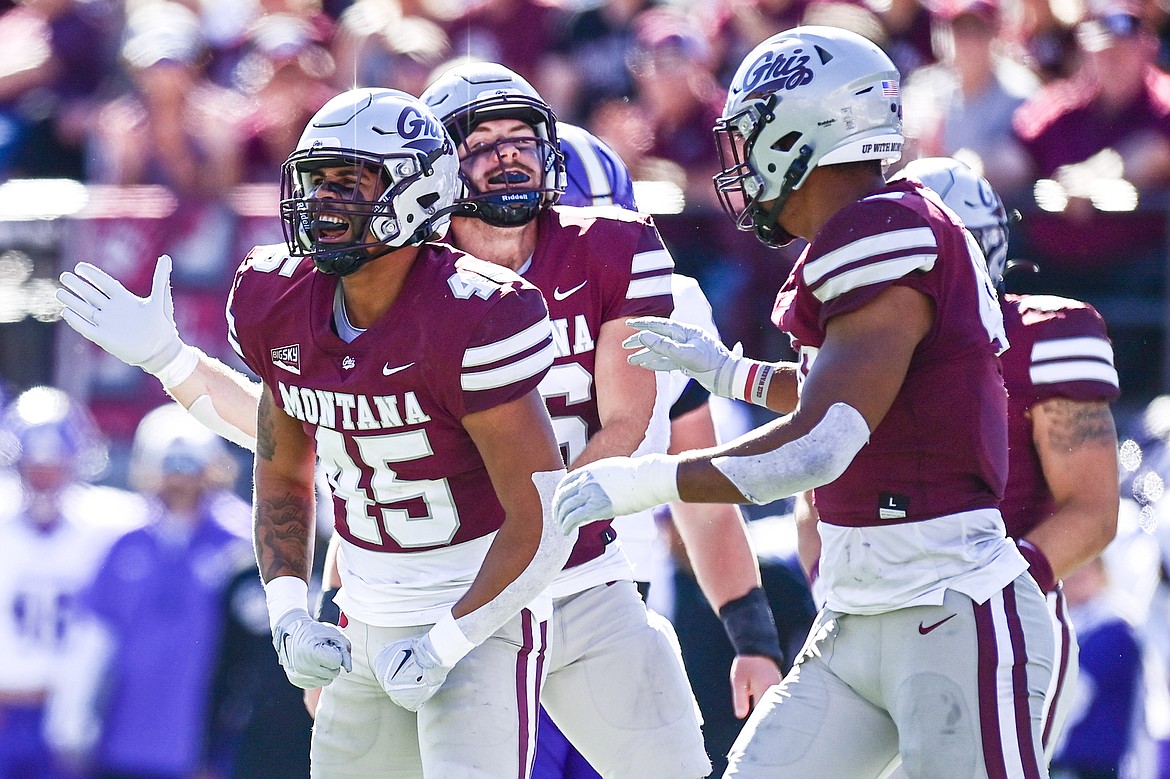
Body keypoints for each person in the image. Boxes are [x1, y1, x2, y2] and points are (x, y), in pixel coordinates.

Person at [552, 25, 1056, 778]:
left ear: (802, 130)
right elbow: (849, 392)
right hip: (857, 617)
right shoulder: (859, 238)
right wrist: (728, 375)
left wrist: (645, 479)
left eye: (750, 135)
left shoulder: (882, 229)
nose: (741, 163)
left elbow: (816, 444)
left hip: (953, 610)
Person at [62, 88, 575, 778]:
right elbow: (281, 465)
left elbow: (543, 518)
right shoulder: (277, 296)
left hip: (475, 609)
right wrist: (288, 611)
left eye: (348, 182)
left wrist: (448, 639)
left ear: (417, 192)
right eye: (315, 181)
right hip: (360, 609)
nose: (321, 201)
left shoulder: (477, 314)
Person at [896, 156, 1121, 763]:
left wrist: (977, 600)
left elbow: (1093, 512)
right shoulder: (853, 346)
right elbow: (819, 498)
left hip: (1005, 622)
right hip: (874, 610)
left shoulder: (1047, 335)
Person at [43, 403, 250, 779]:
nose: (180, 482)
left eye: (191, 469)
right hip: (123, 737)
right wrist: (70, 723)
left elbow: (250, 659)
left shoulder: (238, 545)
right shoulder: (124, 543)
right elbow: (92, 641)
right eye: (170, 469)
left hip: (203, 742)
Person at [0, 386, 140, 779]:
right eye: (35, 467)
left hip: (73, 711)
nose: (45, 478)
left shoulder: (108, 522)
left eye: (56, 466)